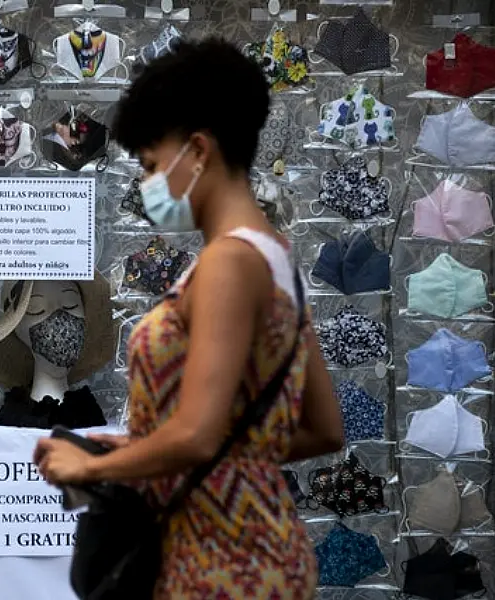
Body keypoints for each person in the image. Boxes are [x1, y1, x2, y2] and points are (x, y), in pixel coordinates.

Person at [33, 38, 344, 599]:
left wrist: (95, 470)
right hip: (261, 548)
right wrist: (143, 449)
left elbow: (199, 436)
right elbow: (321, 428)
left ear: (198, 151)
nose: (148, 183)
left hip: (219, 561)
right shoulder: (276, 258)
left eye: (152, 164)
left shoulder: (226, 263)